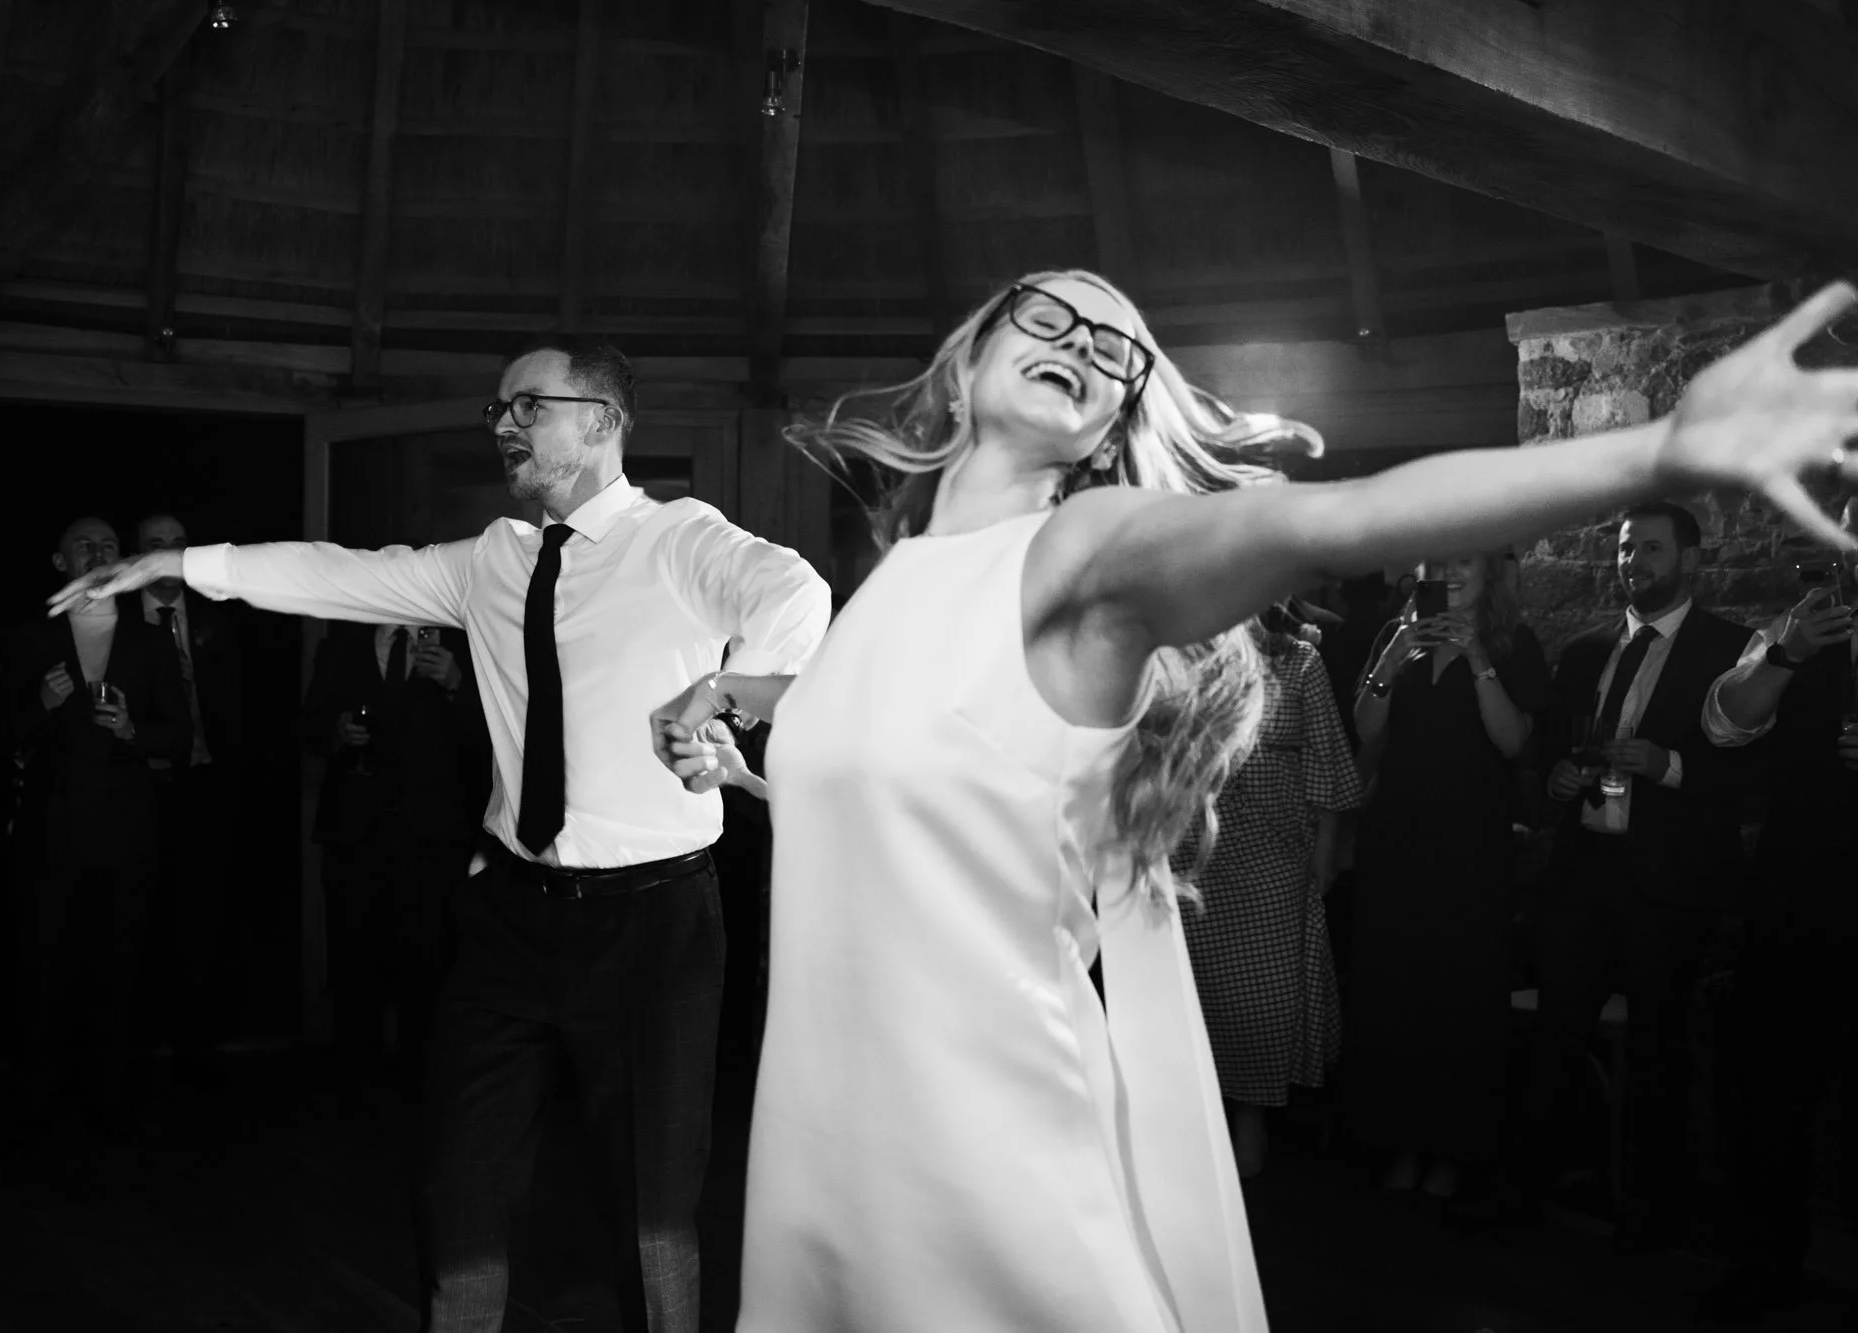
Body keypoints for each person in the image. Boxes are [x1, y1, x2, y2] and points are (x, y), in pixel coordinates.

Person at [647, 272, 1858, 1332]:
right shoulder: (893, 579)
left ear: (1115, 418)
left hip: (976, 1130)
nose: (1086, 342)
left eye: (1119, 349)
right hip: (823, 1128)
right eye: (1050, 314)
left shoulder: (1087, 549)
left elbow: (1328, 520)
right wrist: (746, 729)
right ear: (970, 355)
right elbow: (906, 768)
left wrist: (1651, 454)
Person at [46, 335, 830, 1333]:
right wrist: (182, 563)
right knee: (457, 1191)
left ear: (600, 422)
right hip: (510, 919)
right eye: (495, 410)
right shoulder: (487, 563)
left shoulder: (677, 540)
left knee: (649, 1213)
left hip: (654, 924)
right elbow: (338, 575)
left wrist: (724, 689)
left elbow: (794, 591)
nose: (502, 425)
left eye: (525, 407)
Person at [1517, 502, 1757, 1250]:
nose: (1633, 561)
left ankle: (1651, 1222)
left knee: (1660, 1051)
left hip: (1669, 885)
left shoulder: (1734, 648)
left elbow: (1750, 783)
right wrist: (1555, 777)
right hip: (1584, 874)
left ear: (1690, 560)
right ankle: (1527, 1198)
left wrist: (1668, 764)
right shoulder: (1589, 650)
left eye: (1651, 548)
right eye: (1626, 548)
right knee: (1555, 1038)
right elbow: (1549, 748)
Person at [1342, 552, 1550, 1205]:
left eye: (1466, 561)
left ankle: (1453, 1152)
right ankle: (1401, 1141)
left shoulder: (1514, 642)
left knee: (1459, 1000)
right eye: (1438, 560)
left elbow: (1516, 741)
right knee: (1397, 993)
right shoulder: (1393, 635)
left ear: (1491, 572)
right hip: (1396, 842)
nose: (1451, 571)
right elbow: (1363, 730)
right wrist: (1389, 661)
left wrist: (1477, 659)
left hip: (1471, 847)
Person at [1697, 500, 1858, 1321]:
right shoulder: (1791, 629)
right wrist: (1789, 654)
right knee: (1770, 1100)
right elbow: (1725, 720)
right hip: (1795, 896)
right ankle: (1765, 1272)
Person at [4, 516, 191, 1136]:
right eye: (85, 544)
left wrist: (135, 731)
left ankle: (113, 1101)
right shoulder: (32, 638)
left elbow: (181, 736)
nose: (99, 552)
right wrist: (44, 706)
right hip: (51, 829)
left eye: (110, 545)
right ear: (60, 562)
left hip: (127, 829)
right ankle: (39, 1100)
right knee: (46, 965)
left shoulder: (151, 641)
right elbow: (1, 736)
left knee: (121, 965)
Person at [1173, 604, 1363, 1180]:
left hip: (1274, 857)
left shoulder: (1300, 660)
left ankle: (1250, 1119)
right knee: (1198, 996)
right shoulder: (1182, 656)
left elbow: (1330, 766)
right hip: (1192, 855)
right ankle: (1197, 1122)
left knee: (1262, 1002)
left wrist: (1325, 859)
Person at [304, 618, 490, 1093]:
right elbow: (309, 726)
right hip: (355, 828)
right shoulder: (340, 646)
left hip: (433, 833)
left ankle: (421, 1076)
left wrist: (457, 685)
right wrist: (337, 731)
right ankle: (354, 1076)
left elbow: (493, 739)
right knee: (352, 955)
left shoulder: (467, 645)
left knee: (428, 958)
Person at [132, 512, 245, 1084]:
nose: (169, 555)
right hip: (141, 792)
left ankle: (197, 1050)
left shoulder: (218, 618)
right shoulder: (121, 625)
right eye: (157, 546)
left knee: (202, 917)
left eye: (178, 545)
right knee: (143, 916)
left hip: (207, 786)